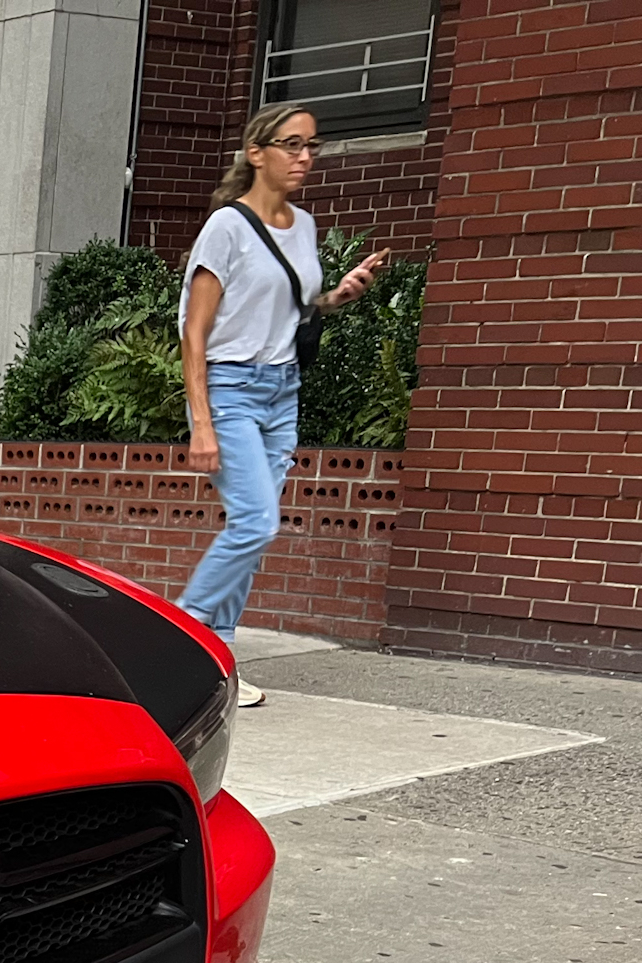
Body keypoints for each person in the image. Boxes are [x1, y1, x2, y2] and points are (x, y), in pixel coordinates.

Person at [180, 104, 388, 704]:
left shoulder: (304, 226)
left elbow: (287, 310)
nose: (303, 157)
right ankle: (181, 635)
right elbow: (195, 331)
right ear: (256, 152)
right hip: (231, 389)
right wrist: (202, 423)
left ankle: (217, 661)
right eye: (291, 145)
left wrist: (336, 296)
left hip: (282, 390)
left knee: (255, 531)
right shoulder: (226, 226)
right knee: (255, 522)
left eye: (311, 146)